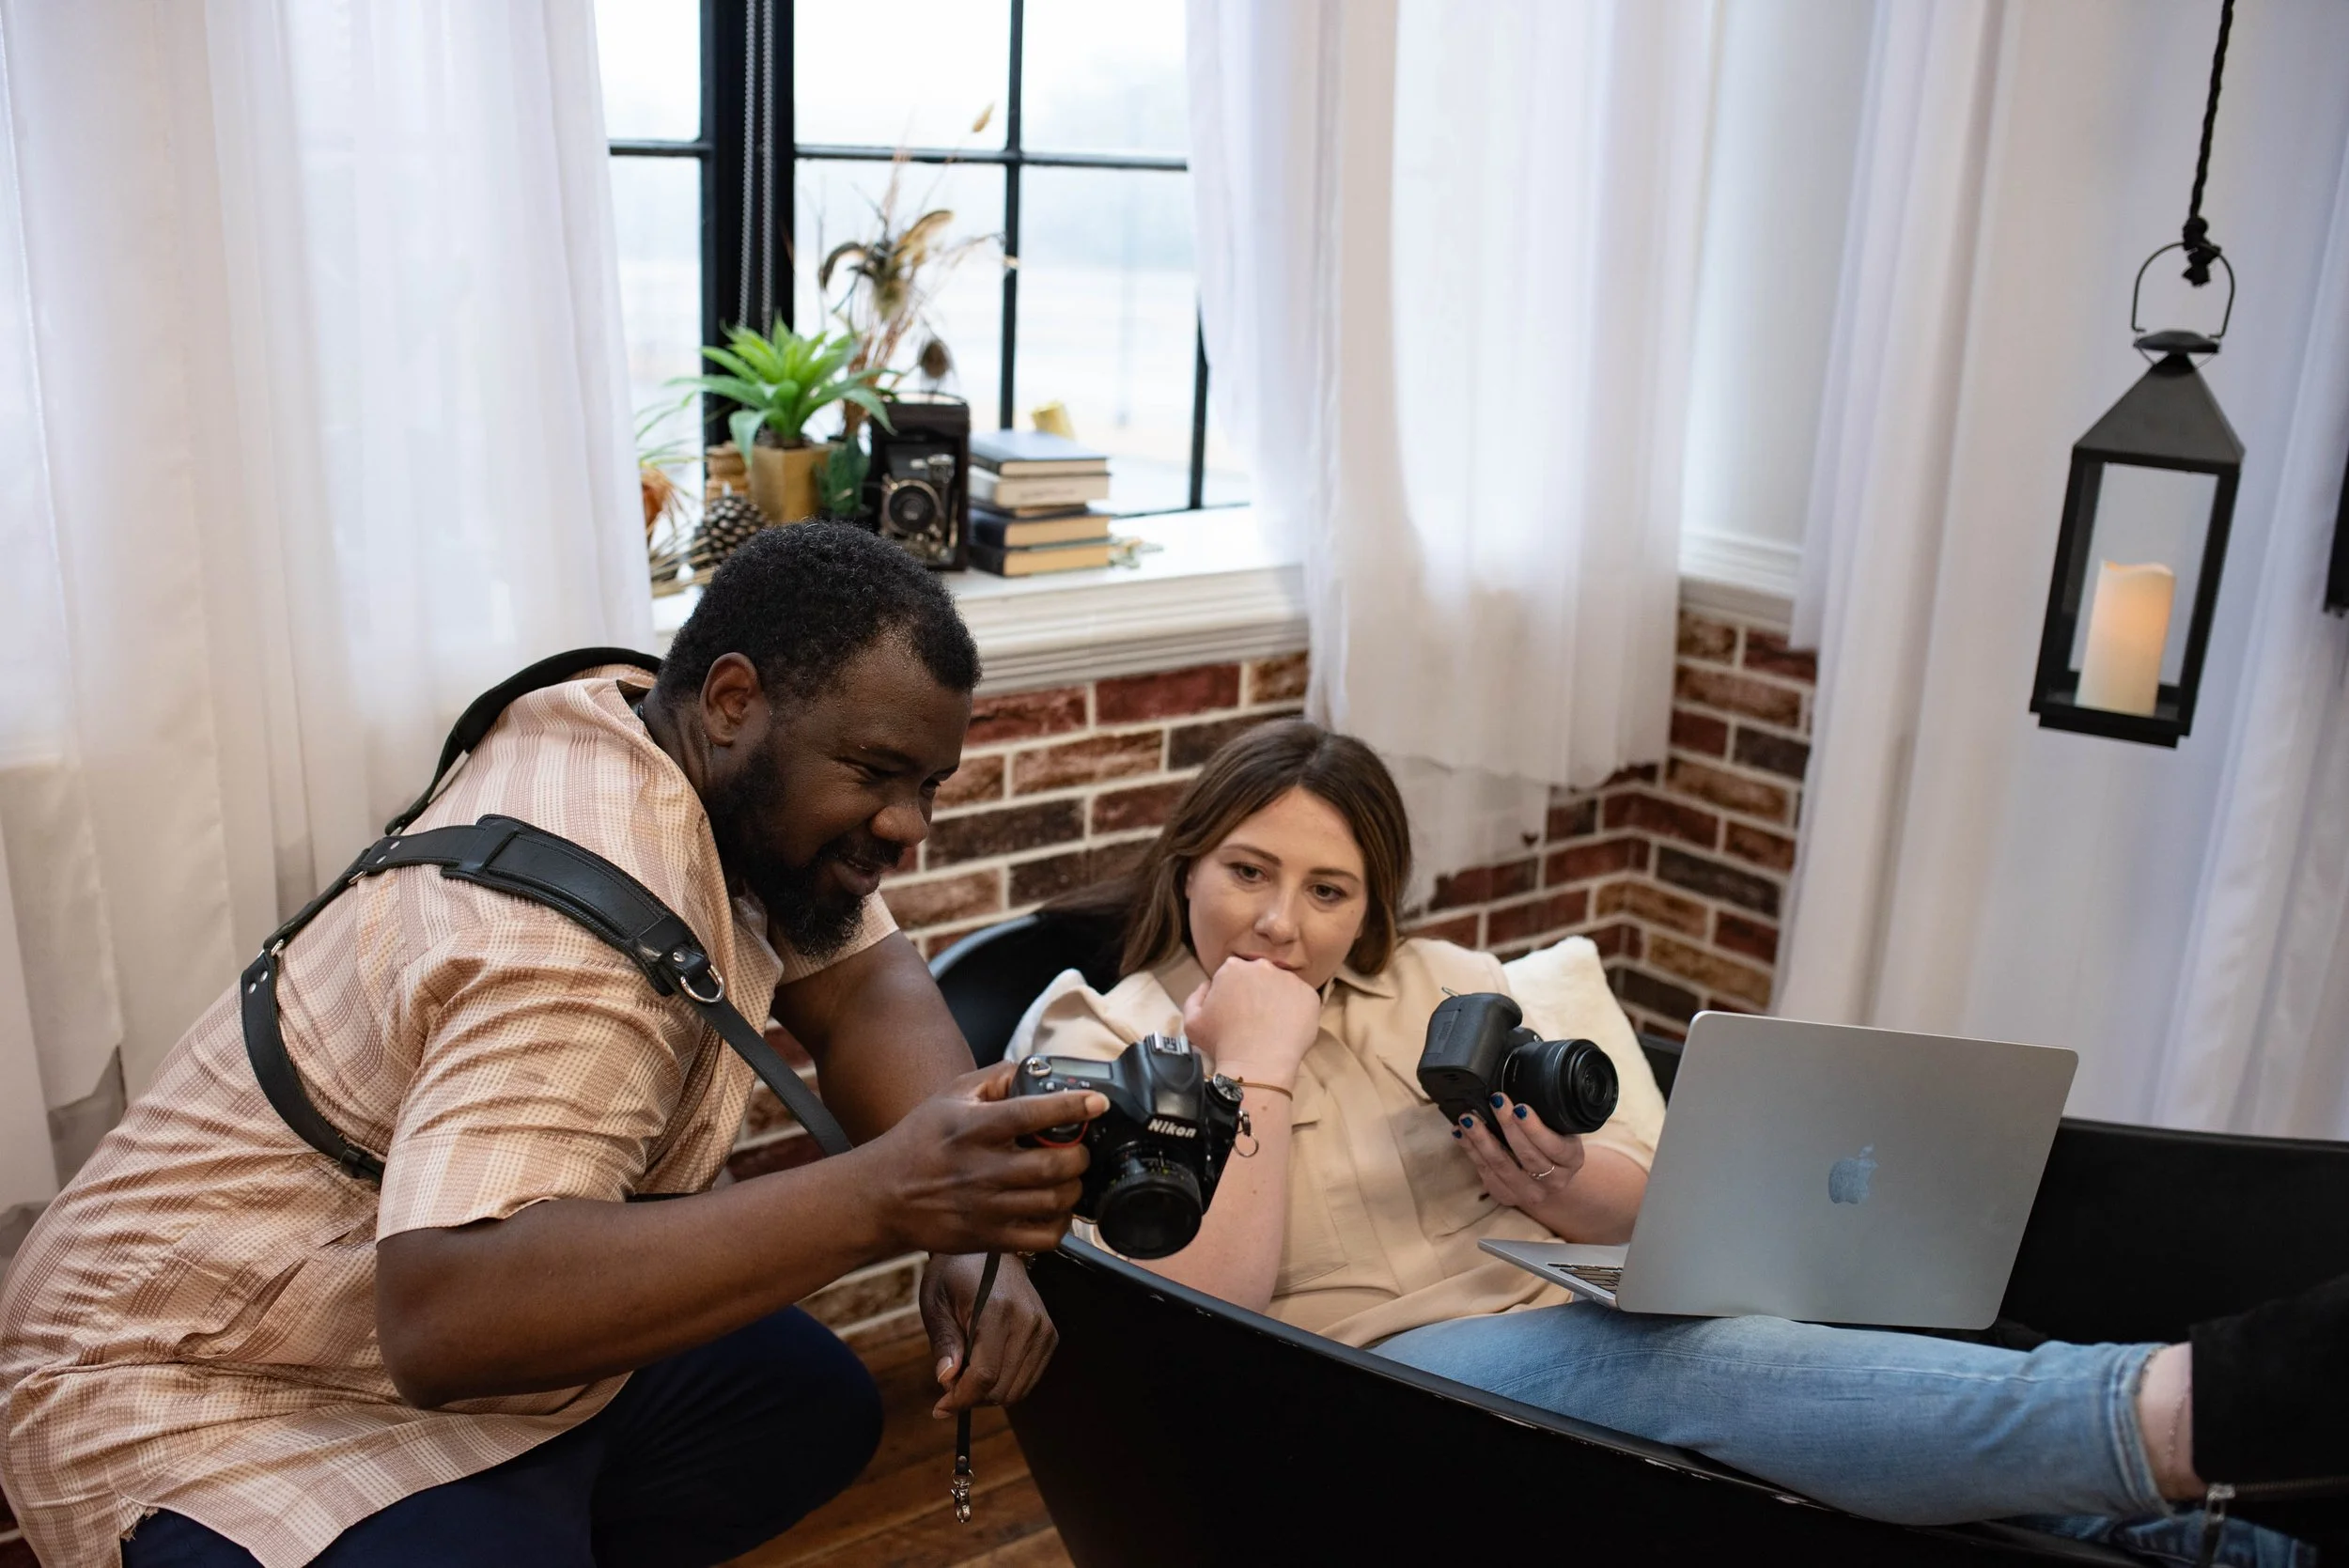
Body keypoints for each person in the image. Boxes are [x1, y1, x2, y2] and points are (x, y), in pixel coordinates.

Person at [0, 524, 1104, 1568]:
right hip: (200, 1371)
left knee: (801, 1403)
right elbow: (445, 1317)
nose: (910, 823)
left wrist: (962, 1233)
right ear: (731, 699)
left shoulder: (659, 731)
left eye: (928, 784)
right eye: (876, 774)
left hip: (378, 1299)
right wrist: (889, 1196)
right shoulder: (575, 941)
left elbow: (864, 984)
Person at [1013, 719, 2311, 1565]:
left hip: (1572, 1321)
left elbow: (1653, 1204)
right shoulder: (1099, 1036)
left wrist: (1572, 1186)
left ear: (1374, 904)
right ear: (1186, 860)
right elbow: (1202, 1313)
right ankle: (2175, 1409)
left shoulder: (1442, 981)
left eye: (1329, 889)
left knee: (1747, 1355)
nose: (1281, 923)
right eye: (1248, 870)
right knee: (1704, 1363)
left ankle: (2218, 1542)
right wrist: (1264, 1060)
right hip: (1369, 1387)